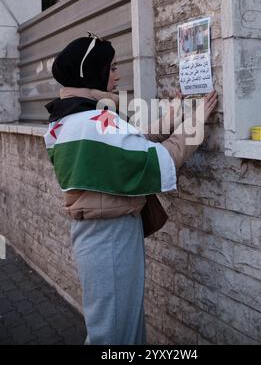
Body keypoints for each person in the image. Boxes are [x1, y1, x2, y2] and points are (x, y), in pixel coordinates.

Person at [44, 34, 218, 345]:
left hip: (98, 235)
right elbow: (157, 159)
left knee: (121, 327)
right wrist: (196, 123)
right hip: (110, 238)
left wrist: (170, 116)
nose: (118, 74)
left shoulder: (66, 121)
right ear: (91, 71)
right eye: (111, 67)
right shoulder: (94, 121)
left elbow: (128, 147)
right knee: (113, 335)